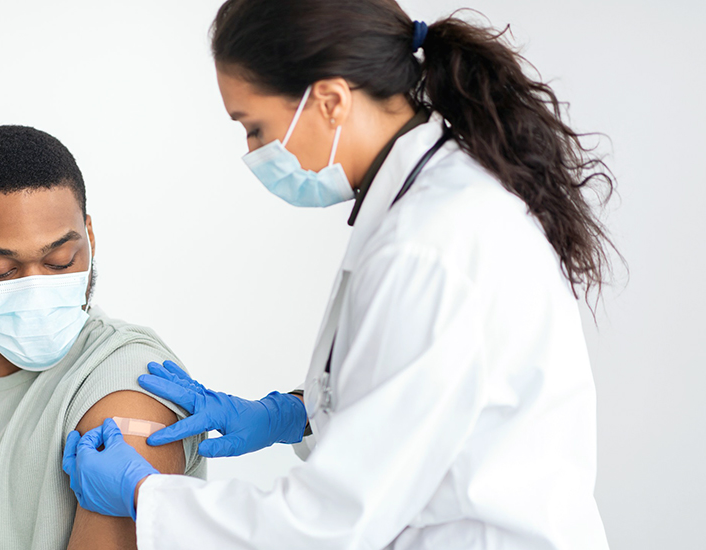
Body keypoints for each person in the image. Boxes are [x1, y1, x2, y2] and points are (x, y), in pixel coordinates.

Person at [61, 1, 616, 549]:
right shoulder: (432, 204)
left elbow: (329, 524)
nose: (252, 152)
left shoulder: (430, 244)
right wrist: (293, 415)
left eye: (254, 128)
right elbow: (419, 403)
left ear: (328, 101)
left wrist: (145, 496)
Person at [0, 125, 205, 550]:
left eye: (60, 261)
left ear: (90, 237)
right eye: (0, 269)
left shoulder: (132, 379)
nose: (35, 289)